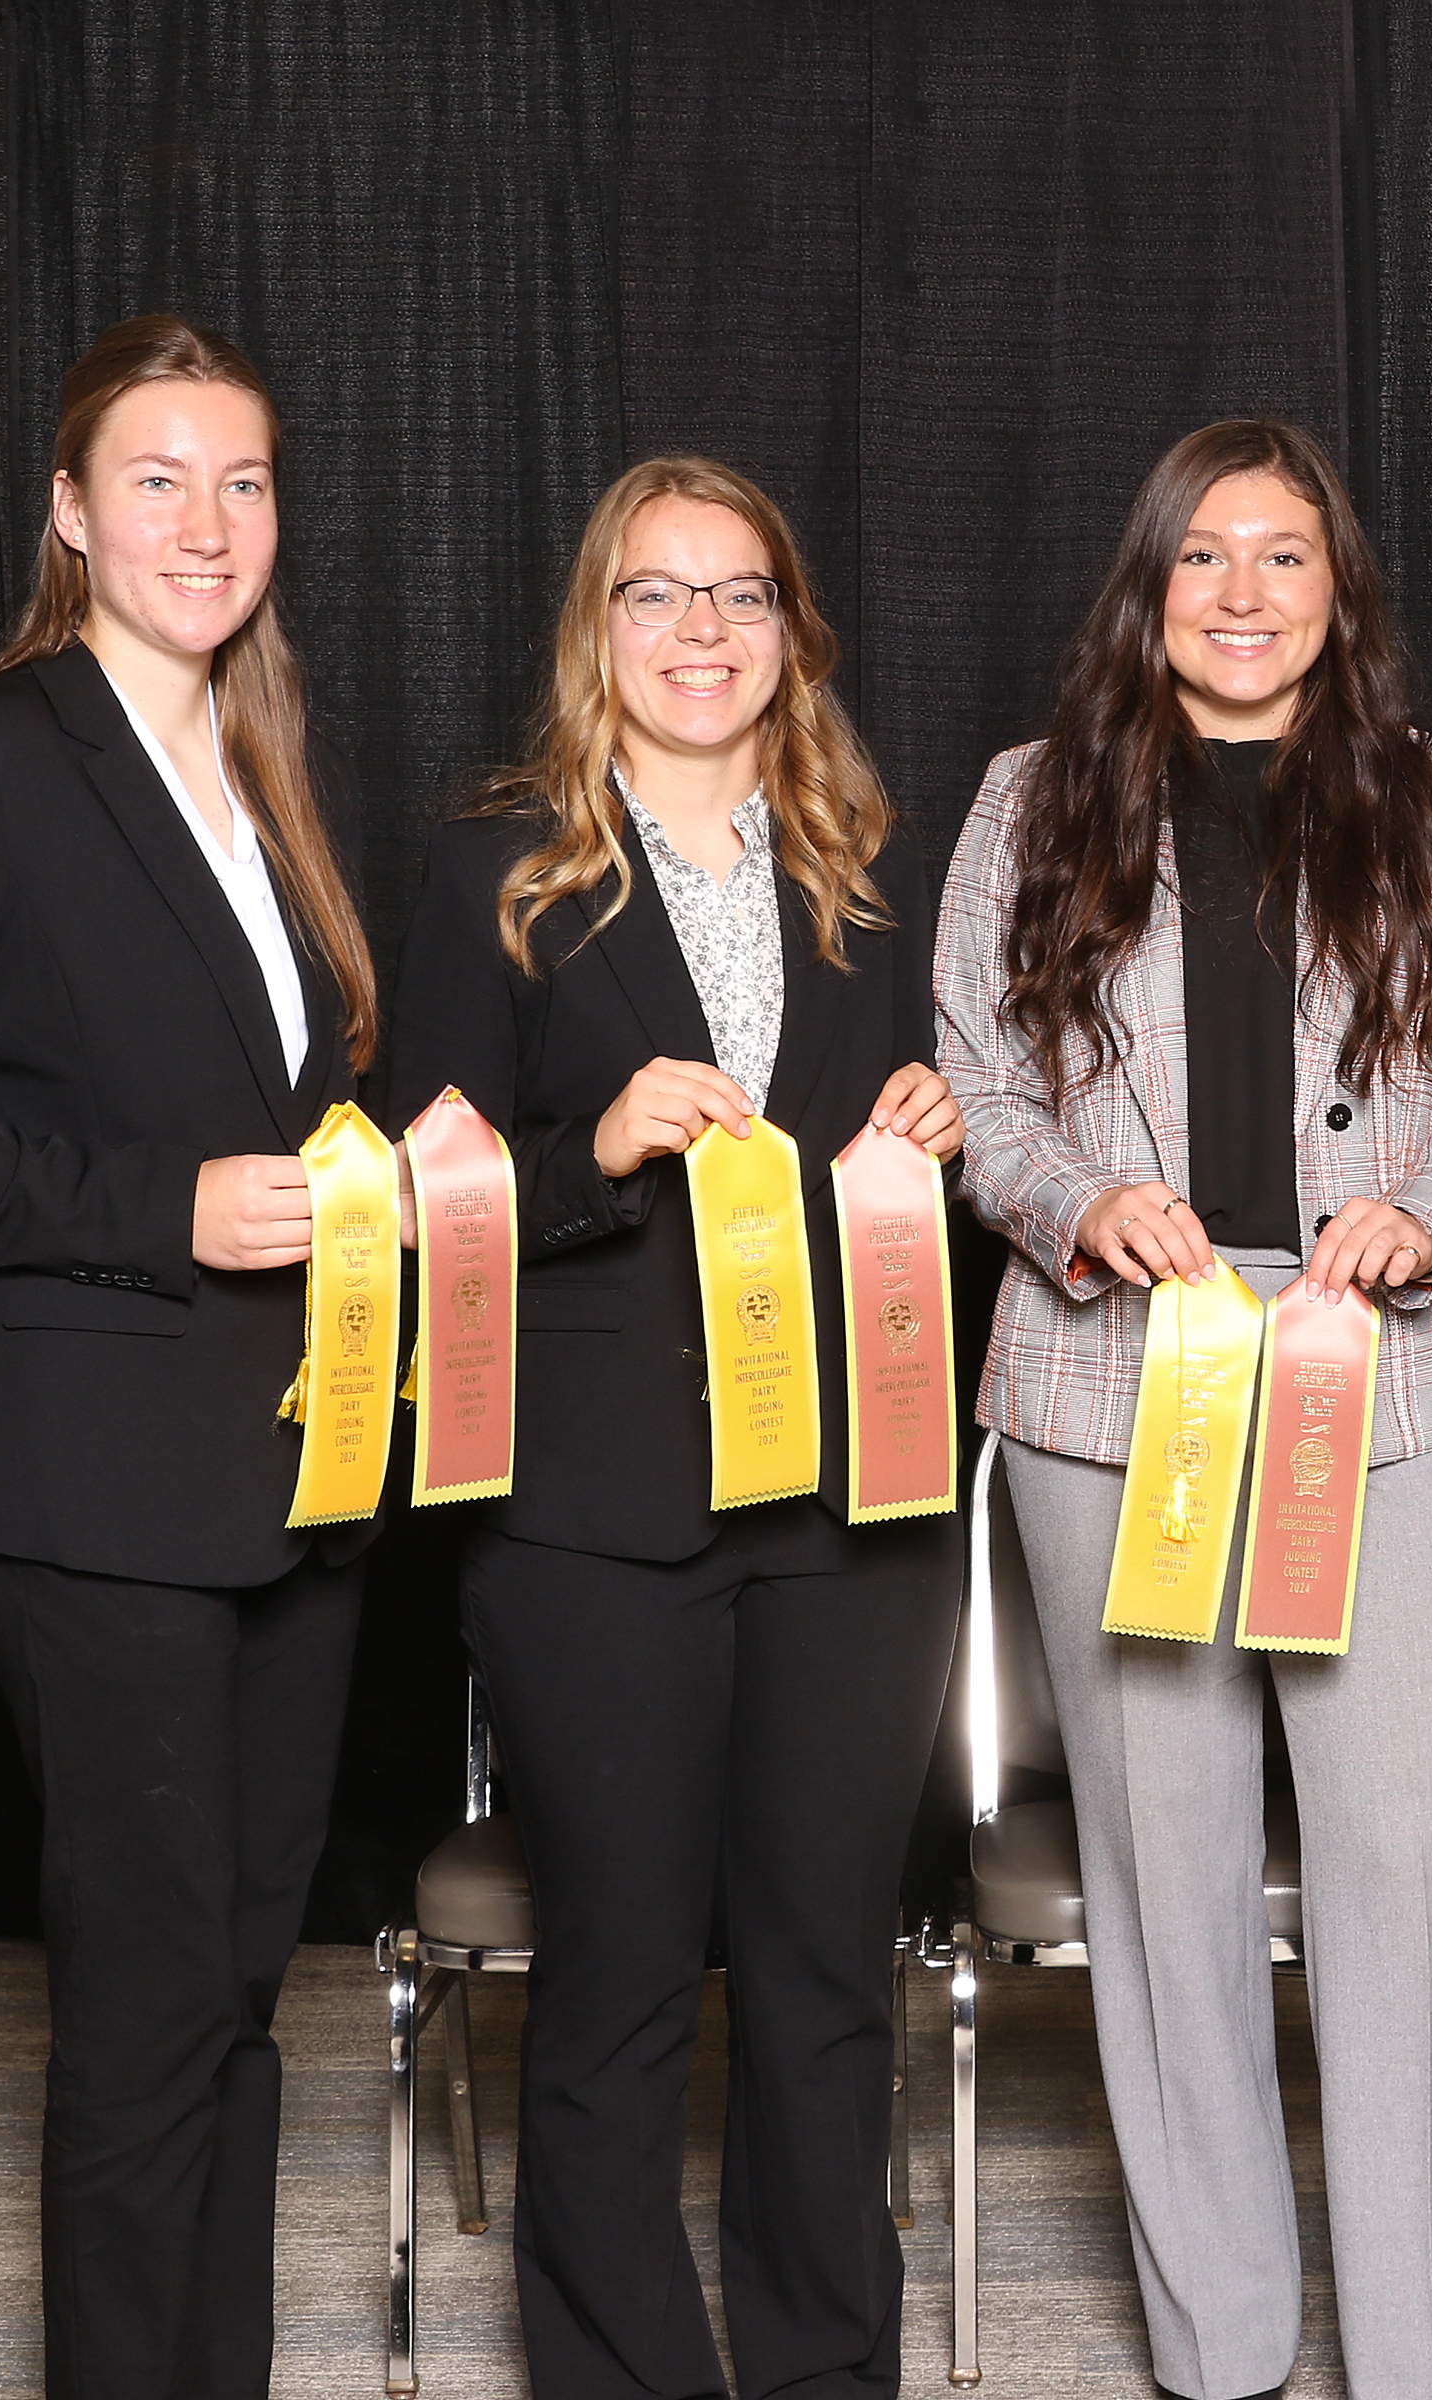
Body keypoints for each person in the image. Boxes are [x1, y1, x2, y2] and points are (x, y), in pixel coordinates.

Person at [0, 316, 380, 2399]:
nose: (207, 524)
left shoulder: (265, 759)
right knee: (143, 2016)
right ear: (65, 510)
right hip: (84, 1476)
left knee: (229, 1992)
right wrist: (164, 1205)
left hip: (286, 1482)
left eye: (243, 481)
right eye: (157, 478)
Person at [935, 417, 1432, 2400]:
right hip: (1111, 1386)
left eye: (1283, 557)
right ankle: (1219, 2356)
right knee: (1165, 1881)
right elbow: (981, 1092)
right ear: (1151, 583)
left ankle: (1418, 2363)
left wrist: (1426, 1224)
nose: (1241, 595)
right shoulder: (1027, 802)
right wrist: (1074, 1200)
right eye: (1204, 557)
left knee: (1395, 1879)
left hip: (1376, 1384)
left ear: (1337, 589)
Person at [384, 455, 960, 2400]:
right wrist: (594, 1149)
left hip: (847, 1525)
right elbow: (418, 1205)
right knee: (620, 1993)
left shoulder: (877, 866)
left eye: (741, 596)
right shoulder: (496, 868)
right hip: (590, 1522)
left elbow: (919, 1181)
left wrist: (928, 1156)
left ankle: (819, 2376)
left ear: (793, 634)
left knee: (821, 1991)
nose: (702, 632)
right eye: (657, 594)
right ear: (597, 629)